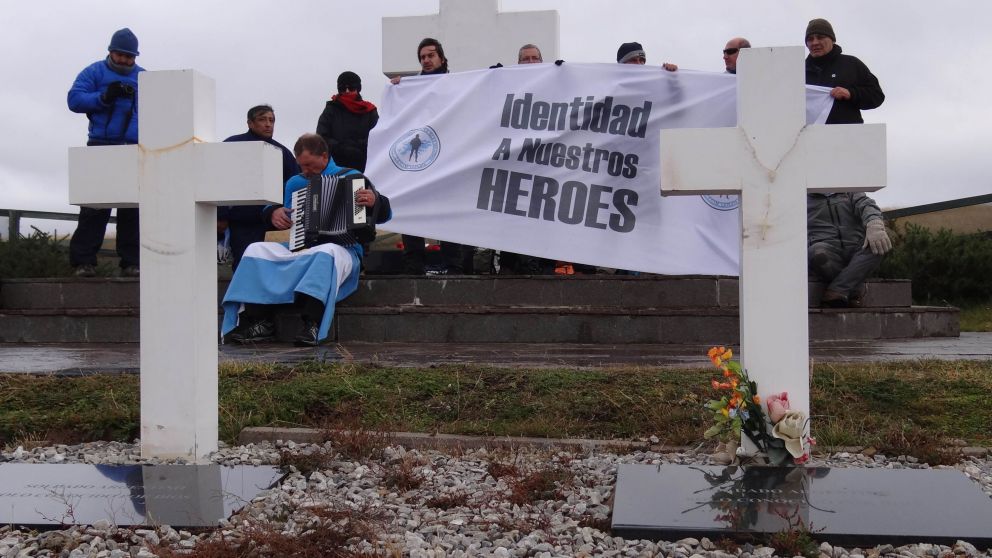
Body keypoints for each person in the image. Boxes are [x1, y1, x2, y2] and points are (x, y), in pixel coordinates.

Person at [221, 134, 391, 346]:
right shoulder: (295, 183)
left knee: (327, 251)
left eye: (309, 165)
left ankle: (312, 323)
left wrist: (375, 201)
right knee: (256, 249)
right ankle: (258, 321)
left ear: (324, 156)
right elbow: (276, 209)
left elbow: (386, 214)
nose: (305, 171)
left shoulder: (353, 177)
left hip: (345, 249)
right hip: (304, 246)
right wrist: (273, 212)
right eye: (301, 166)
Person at [67, 28, 144, 277]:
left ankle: (132, 262)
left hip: (135, 148)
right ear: (110, 52)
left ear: (135, 56)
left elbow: (161, 109)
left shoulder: (145, 78)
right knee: (94, 208)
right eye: (119, 54)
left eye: (128, 56)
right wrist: (104, 97)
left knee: (133, 209)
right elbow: (74, 100)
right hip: (100, 145)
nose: (123, 60)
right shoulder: (94, 72)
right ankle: (83, 262)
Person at [392, 38, 474, 275]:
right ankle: (414, 266)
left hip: (449, 161)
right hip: (421, 162)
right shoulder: (411, 88)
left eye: (431, 55)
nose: (426, 60)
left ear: (441, 58)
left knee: (449, 213)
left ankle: (454, 265)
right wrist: (397, 90)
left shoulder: (456, 85)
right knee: (412, 211)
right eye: (422, 57)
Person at [218, 105, 301, 271]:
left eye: (271, 120)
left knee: (271, 266)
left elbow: (293, 185)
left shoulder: (283, 152)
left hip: (272, 221)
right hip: (241, 221)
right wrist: (221, 215)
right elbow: (218, 181)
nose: (268, 124)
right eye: (262, 119)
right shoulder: (232, 145)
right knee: (244, 265)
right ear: (250, 123)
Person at [807, 192, 892, 307]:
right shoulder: (803, 199)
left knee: (877, 244)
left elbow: (866, 204)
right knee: (818, 253)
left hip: (856, 249)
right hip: (827, 250)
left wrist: (874, 224)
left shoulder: (849, 190)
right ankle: (851, 291)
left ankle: (837, 291)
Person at [804, 18, 884, 124]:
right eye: (810, 39)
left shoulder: (851, 64)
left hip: (847, 136)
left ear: (832, 40)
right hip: (806, 137)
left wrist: (851, 93)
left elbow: (876, 96)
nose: (815, 42)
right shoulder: (798, 71)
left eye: (820, 37)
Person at [316, 71, 379, 172]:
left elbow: (377, 136)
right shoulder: (331, 109)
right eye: (343, 88)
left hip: (365, 166)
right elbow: (321, 136)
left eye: (351, 88)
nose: (347, 91)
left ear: (358, 89)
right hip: (336, 168)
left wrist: (359, 147)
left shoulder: (370, 111)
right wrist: (341, 148)